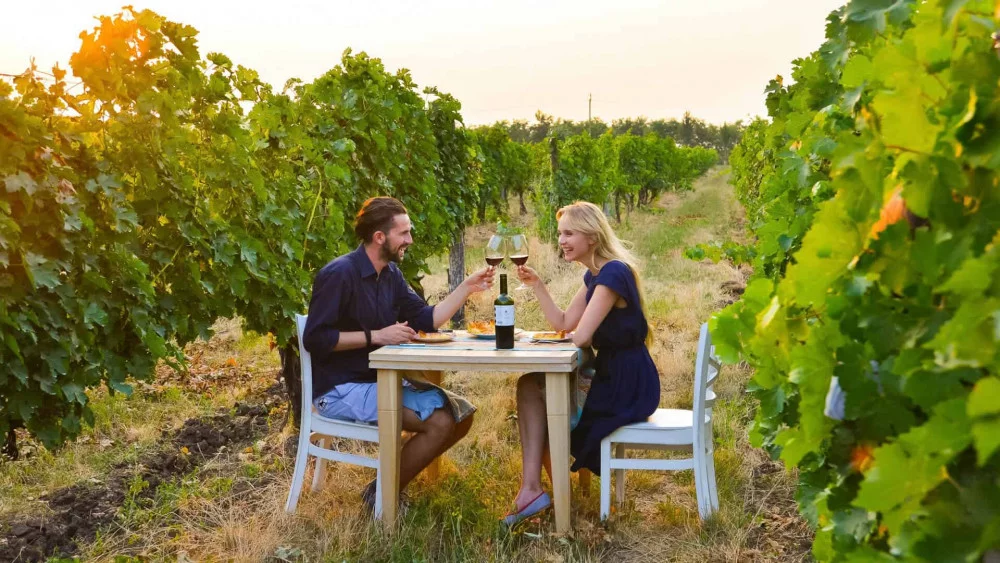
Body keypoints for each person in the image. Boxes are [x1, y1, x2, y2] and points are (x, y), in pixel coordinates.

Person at [302, 196, 493, 511]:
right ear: (380, 237)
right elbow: (316, 338)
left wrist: (466, 288)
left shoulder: (390, 275)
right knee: (441, 422)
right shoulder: (339, 274)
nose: (410, 240)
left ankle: (382, 488)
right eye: (403, 233)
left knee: (462, 415)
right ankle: (383, 496)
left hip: (378, 382)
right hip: (338, 390)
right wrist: (377, 335)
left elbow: (426, 319)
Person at [503, 201, 660, 526]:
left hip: (626, 383)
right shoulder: (596, 275)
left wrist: (537, 341)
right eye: (560, 233)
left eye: (569, 233)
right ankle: (534, 489)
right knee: (530, 384)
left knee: (543, 398)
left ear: (591, 235)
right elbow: (563, 323)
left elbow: (582, 336)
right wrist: (538, 286)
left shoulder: (613, 272)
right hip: (615, 374)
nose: (561, 240)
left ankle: (544, 494)